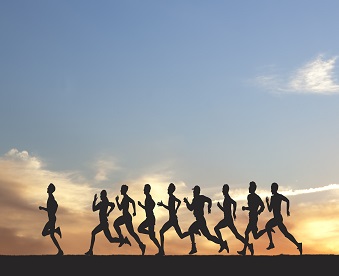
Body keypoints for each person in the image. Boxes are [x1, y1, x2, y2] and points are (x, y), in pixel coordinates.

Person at [257, 182, 302, 255]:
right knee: (286, 234)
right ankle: (298, 244)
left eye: (272, 188)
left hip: (278, 218)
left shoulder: (278, 196)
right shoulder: (274, 197)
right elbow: (270, 210)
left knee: (268, 226)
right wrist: (267, 202)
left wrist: (287, 210)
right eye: (271, 188)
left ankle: (271, 243)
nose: (271, 190)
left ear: (275, 189)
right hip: (277, 218)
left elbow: (287, 200)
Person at [183, 185, 228, 255]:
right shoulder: (197, 199)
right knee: (209, 237)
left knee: (191, 230)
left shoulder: (199, 198)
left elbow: (192, 208)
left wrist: (209, 208)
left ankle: (194, 247)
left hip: (200, 220)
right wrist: (187, 203)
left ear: (197, 192)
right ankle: (222, 243)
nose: (193, 193)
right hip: (200, 220)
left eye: (194, 191)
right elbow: (191, 208)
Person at [84, 190, 131, 256]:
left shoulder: (103, 203)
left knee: (93, 233)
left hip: (103, 224)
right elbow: (112, 205)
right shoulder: (105, 203)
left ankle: (90, 250)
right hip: (104, 224)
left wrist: (94, 201)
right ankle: (123, 240)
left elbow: (94, 209)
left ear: (103, 196)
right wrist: (108, 212)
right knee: (110, 239)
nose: (100, 196)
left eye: (101, 195)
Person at [214, 184, 252, 255]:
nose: (222, 191)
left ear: (226, 190)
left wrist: (233, 212)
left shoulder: (227, 198)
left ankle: (223, 244)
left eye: (223, 190)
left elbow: (234, 203)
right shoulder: (226, 198)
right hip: (228, 219)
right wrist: (233, 213)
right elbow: (232, 205)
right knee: (237, 235)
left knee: (216, 228)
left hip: (227, 220)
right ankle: (249, 245)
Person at [114, 184, 146, 255]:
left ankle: (140, 244)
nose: (120, 191)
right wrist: (117, 201)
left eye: (121, 189)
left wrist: (134, 211)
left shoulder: (126, 198)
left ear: (124, 190)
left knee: (131, 232)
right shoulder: (125, 198)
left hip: (127, 217)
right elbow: (121, 208)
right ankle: (140, 244)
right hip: (125, 216)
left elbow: (132, 202)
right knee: (131, 232)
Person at [157, 183, 187, 256]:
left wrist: (164, 205)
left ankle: (162, 251)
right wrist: (164, 205)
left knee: (161, 232)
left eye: (168, 188)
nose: (167, 189)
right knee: (181, 235)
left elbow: (175, 204)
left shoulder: (172, 197)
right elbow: (177, 203)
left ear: (171, 190)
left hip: (172, 220)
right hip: (172, 219)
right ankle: (192, 231)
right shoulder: (171, 197)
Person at [237, 181, 264, 256]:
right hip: (251, 216)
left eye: (250, 187)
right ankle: (246, 249)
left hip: (254, 217)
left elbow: (262, 206)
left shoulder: (256, 197)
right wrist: (248, 208)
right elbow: (252, 207)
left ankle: (245, 250)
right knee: (255, 235)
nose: (249, 188)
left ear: (253, 188)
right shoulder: (249, 197)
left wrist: (258, 212)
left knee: (248, 233)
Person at [39, 183, 63, 256]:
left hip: (52, 219)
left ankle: (60, 251)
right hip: (51, 219)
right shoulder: (51, 198)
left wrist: (42, 208)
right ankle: (60, 251)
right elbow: (55, 206)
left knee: (47, 234)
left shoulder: (51, 198)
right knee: (49, 235)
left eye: (48, 188)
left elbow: (51, 209)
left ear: (50, 190)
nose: (47, 188)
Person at [137, 184, 162, 255]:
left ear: (147, 190)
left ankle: (161, 250)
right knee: (152, 237)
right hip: (150, 218)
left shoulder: (148, 197)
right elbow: (150, 206)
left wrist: (142, 206)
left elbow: (151, 205)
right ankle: (161, 250)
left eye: (145, 189)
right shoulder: (148, 197)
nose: (143, 190)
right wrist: (142, 205)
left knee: (140, 229)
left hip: (150, 218)